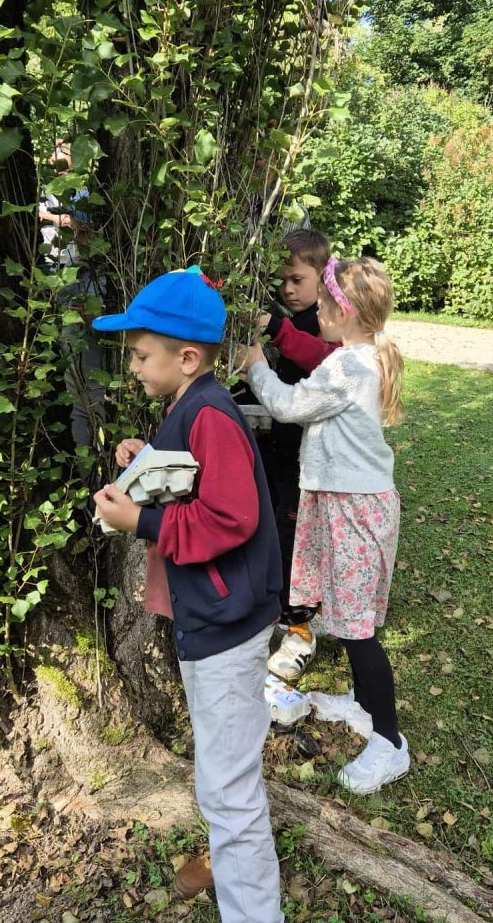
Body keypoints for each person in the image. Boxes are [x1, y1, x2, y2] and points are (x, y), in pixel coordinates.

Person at [90, 266, 284, 923]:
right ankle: (231, 865)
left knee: (229, 790)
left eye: (141, 356)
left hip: (227, 625)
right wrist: (149, 458)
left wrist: (140, 521)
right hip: (212, 618)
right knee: (222, 773)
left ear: (188, 358)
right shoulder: (187, 408)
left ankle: (252, 908)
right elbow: (197, 480)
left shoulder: (210, 415)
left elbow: (232, 517)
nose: (134, 368)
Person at [242, 256, 409, 795]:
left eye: (322, 305)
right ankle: (362, 704)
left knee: (358, 631)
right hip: (347, 502)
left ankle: (389, 742)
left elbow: (288, 406)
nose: (315, 312)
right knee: (347, 614)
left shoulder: (347, 368)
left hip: (353, 507)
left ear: (346, 311)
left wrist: (255, 365)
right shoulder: (358, 357)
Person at [256, 229, 333, 681]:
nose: (287, 289)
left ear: (324, 277)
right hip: (281, 447)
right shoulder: (297, 317)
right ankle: (278, 609)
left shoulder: (326, 325)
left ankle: (301, 627)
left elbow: (320, 358)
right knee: (273, 525)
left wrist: (277, 330)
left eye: (297, 280)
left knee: (295, 537)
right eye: (281, 280)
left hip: (307, 460)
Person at [38, 140, 107, 482]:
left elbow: (93, 239)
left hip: (90, 294)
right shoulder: (44, 193)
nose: (59, 159)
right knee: (80, 397)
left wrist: (67, 221)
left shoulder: (87, 194)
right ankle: (89, 481)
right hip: (60, 295)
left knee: (94, 397)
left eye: (66, 152)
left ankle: (99, 478)